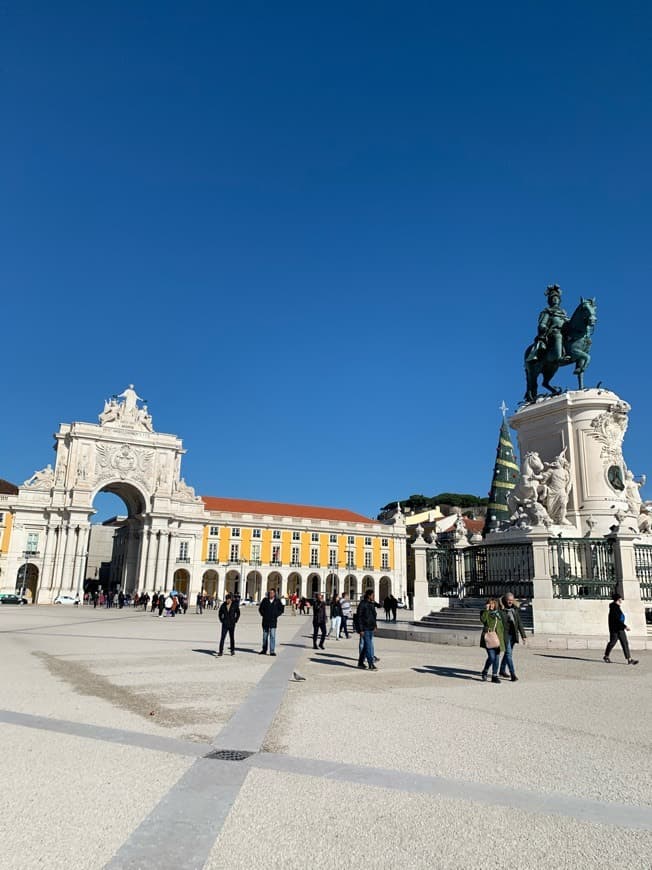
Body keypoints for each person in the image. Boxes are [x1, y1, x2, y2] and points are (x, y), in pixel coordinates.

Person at [499, 592, 527, 681]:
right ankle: (513, 674)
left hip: (513, 635)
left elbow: (519, 623)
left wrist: (523, 635)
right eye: (508, 600)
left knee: (507, 654)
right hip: (505, 635)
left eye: (511, 600)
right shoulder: (501, 610)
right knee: (509, 654)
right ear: (505, 600)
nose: (510, 602)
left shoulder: (514, 609)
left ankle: (502, 670)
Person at [604, 595, 639, 665]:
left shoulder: (617, 607)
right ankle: (606, 656)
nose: (621, 600)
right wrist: (625, 626)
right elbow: (616, 620)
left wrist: (623, 626)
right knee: (612, 643)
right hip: (615, 629)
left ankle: (629, 659)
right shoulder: (614, 608)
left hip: (620, 628)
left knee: (624, 642)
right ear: (617, 599)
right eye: (620, 599)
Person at [480, 598, 504, 683]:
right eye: (490, 604)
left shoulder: (499, 614)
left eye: (493, 604)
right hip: (489, 637)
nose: (491, 605)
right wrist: (486, 610)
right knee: (492, 657)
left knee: (497, 658)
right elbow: (483, 620)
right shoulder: (484, 612)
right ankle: (485, 671)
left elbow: (501, 627)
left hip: (498, 638)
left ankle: (494, 675)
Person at [258, 589, 284, 656]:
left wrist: (276, 615)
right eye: (270, 593)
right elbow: (260, 609)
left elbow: (281, 609)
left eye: (272, 593)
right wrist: (264, 614)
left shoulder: (277, 601)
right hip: (265, 621)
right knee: (265, 637)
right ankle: (264, 650)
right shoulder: (265, 600)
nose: (271, 594)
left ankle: (272, 651)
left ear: (275, 594)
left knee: (272, 636)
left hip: (273, 621)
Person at [357, 590, 378, 670]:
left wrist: (375, 625)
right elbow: (359, 617)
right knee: (368, 646)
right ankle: (370, 664)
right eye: (372, 595)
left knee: (366, 647)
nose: (373, 597)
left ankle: (360, 662)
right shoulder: (362, 604)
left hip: (371, 628)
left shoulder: (371, 604)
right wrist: (361, 629)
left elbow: (373, 616)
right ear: (369, 596)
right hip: (365, 628)